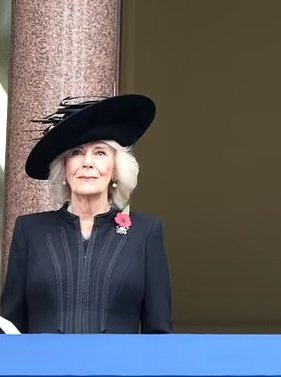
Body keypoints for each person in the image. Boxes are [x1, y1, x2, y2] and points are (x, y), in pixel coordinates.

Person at [1, 94, 172, 334]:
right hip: (43, 370)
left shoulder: (146, 232)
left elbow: (159, 332)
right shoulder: (30, 230)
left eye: (100, 153)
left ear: (115, 170)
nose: (87, 163)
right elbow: (9, 327)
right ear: (65, 168)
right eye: (77, 153)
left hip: (117, 370)